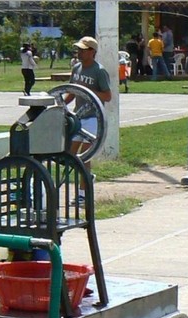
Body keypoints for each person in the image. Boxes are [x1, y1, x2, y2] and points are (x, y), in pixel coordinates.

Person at [66, 36, 111, 205]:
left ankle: (83, 194)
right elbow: (72, 91)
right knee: (70, 156)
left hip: (93, 119)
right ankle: (88, 178)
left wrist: (89, 90)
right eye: (78, 49)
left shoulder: (99, 71)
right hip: (78, 118)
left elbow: (107, 96)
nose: (79, 52)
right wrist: (61, 102)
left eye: (83, 50)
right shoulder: (76, 68)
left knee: (84, 157)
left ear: (92, 52)